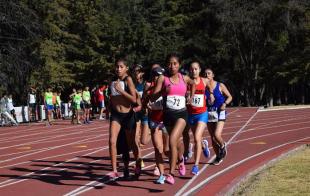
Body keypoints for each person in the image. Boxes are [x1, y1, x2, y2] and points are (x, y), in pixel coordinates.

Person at [146, 53, 195, 184]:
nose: (172, 66)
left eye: (175, 63)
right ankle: (180, 160)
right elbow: (153, 97)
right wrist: (162, 92)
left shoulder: (184, 78)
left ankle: (171, 174)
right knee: (169, 147)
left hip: (181, 114)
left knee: (173, 140)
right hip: (168, 116)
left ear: (179, 65)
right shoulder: (163, 79)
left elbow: (193, 83)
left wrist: (190, 95)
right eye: (169, 63)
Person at [108, 58, 141, 179]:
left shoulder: (128, 80)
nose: (118, 69)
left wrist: (121, 90)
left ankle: (138, 163)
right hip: (116, 115)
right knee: (112, 141)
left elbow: (133, 99)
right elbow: (111, 97)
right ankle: (114, 170)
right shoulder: (112, 81)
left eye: (121, 67)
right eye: (117, 66)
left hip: (128, 116)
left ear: (126, 68)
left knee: (131, 143)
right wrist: (109, 106)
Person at [144, 64, 169, 184]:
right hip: (154, 121)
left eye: (159, 76)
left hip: (167, 121)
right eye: (154, 76)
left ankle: (180, 159)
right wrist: (146, 105)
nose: (156, 78)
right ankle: (162, 175)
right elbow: (143, 101)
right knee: (158, 149)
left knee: (167, 150)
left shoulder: (167, 88)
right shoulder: (149, 88)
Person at [187, 62, 214, 175]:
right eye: (192, 69)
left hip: (202, 113)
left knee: (196, 138)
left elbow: (210, 87)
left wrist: (211, 94)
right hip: (191, 114)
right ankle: (204, 145)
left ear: (199, 70)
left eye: (196, 69)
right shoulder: (187, 81)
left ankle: (196, 166)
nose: (194, 71)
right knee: (196, 137)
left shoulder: (204, 81)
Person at [204, 68, 233, 165]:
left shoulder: (220, 85)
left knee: (217, 135)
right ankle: (218, 156)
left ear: (213, 75)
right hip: (209, 113)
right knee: (212, 139)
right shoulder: (203, 87)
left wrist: (225, 103)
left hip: (220, 111)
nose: (207, 75)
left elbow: (230, 97)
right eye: (205, 74)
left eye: (209, 73)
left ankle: (222, 145)